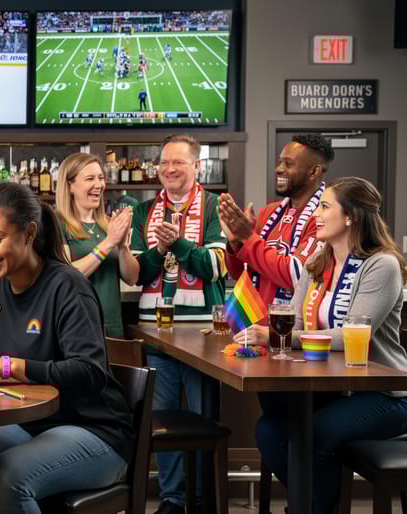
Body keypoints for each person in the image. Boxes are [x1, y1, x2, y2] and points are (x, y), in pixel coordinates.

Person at [0, 183, 135, 514]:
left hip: (94, 431)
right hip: (31, 424)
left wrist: (8, 366)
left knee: (4, 477)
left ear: (28, 234)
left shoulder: (67, 287)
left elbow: (89, 372)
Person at [233, 177, 407, 514]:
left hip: (384, 393)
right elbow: (295, 322)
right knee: (270, 431)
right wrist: (270, 332)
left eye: (325, 207)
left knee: (312, 434)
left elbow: (352, 334)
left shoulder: (381, 265)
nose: (316, 214)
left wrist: (279, 337)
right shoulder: (317, 261)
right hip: (333, 388)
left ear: (351, 216)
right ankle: (311, 506)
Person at [130, 134, 227, 514]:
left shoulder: (216, 206)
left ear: (196, 166)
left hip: (204, 334)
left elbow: (216, 267)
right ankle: (173, 499)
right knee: (163, 421)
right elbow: (137, 275)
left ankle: (202, 500)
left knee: (204, 419)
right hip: (155, 331)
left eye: (179, 162)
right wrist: (159, 249)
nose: (169, 169)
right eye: (164, 162)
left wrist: (181, 246)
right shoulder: (143, 211)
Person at [221, 134, 331, 313]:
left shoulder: (324, 217)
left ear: (314, 172)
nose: (278, 169)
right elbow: (242, 274)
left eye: (289, 164)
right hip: (256, 323)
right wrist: (235, 242)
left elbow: (296, 275)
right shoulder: (269, 212)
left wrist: (248, 237)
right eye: (280, 162)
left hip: (293, 325)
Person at [55, 153, 139, 339]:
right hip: (76, 325)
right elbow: (65, 275)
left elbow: (132, 278)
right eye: (90, 179)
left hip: (112, 325)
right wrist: (108, 243)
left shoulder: (109, 224)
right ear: (70, 186)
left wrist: (123, 246)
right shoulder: (58, 224)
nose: (98, 185)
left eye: (101, 178)